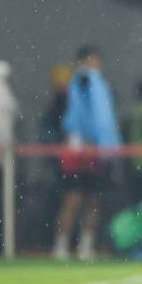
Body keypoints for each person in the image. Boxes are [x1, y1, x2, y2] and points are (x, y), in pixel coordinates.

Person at [53, 46, 121, 261]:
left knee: (93, 200)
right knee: (72, 200)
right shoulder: (82, 80)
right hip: (78, 149)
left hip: (97, 150)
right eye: (92, 61)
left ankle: (86, 246)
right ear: (82, 62)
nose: (96, 65)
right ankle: (61, 246)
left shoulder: (98, 83)